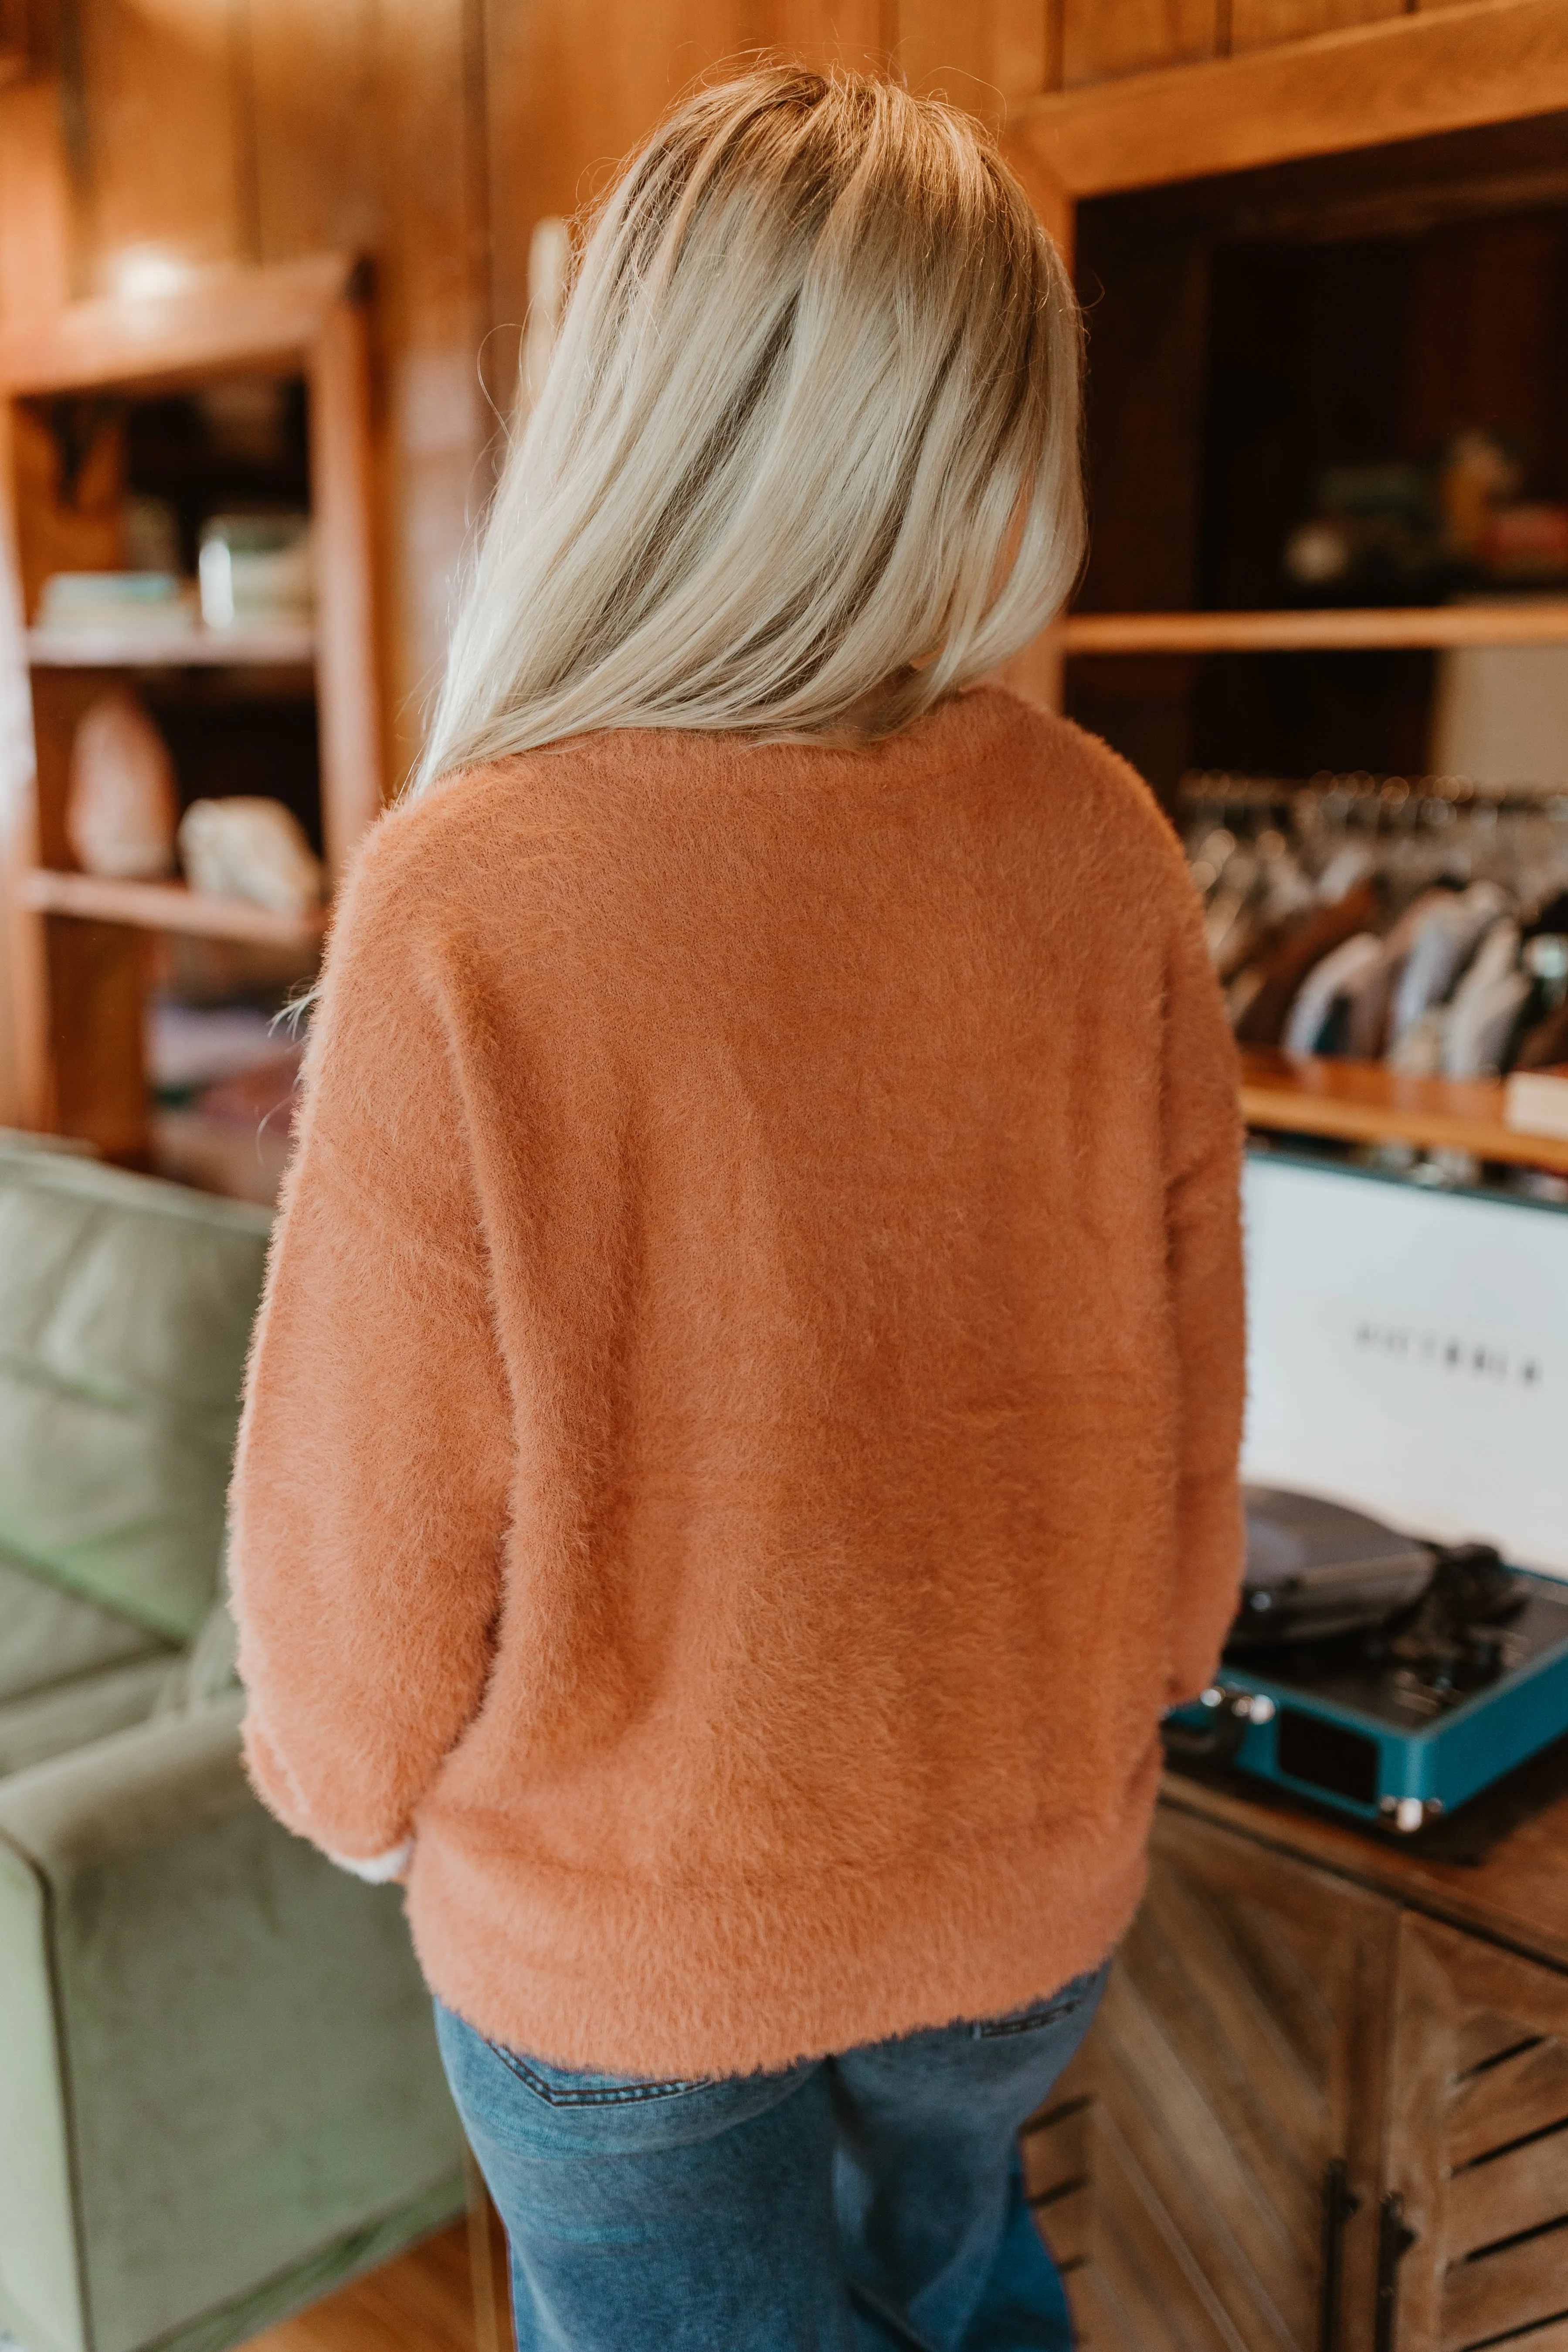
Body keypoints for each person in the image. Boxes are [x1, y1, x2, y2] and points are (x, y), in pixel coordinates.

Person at [228, 64, 1245, 2352]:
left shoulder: (475, 892)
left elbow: (372, 1502)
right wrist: (1155, 1660)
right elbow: (1192, 1344)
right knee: (959, 2284)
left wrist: (346, 1775)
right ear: (989, 432)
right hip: (1017, 1884)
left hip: (626, 1939)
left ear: (637, 408)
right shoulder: (1099, 840)